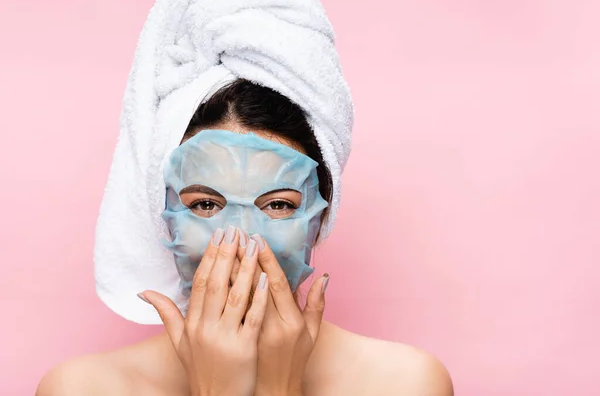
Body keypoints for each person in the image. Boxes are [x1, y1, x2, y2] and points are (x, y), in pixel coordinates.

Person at [36, 79, 453, 396]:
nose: (242, 240)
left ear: (320, 219)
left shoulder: (405, 383)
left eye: (277, 205)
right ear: (163, 217)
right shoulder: (82, 388)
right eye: (204, 204)